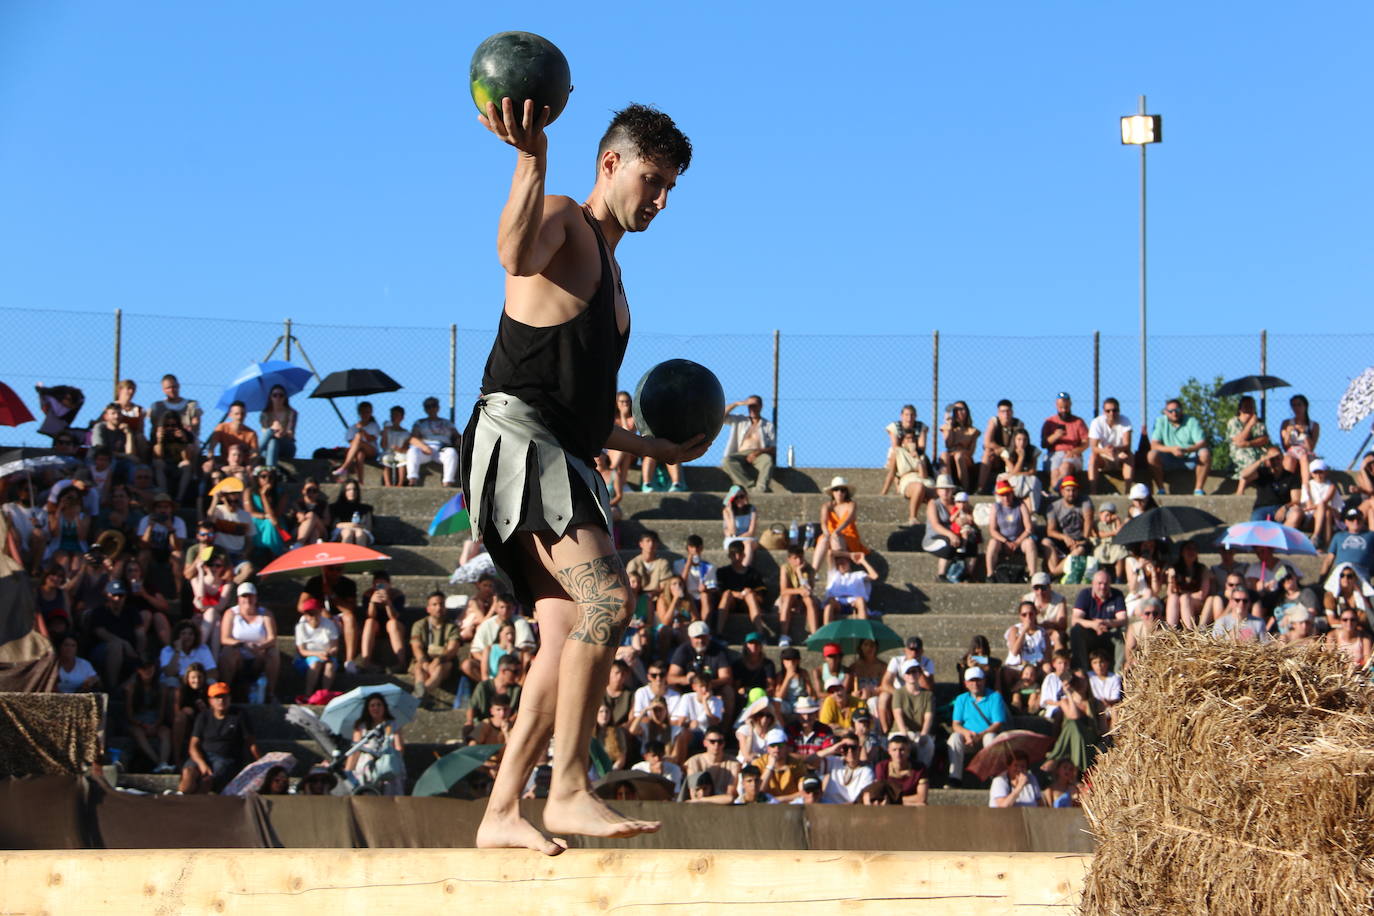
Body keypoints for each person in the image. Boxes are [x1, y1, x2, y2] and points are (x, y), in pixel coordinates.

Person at [178, 682, 259, 794]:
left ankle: (196, 806)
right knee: (189, 772)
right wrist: (202, 764)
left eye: (224, 697)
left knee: (208, 780)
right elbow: (193, 745)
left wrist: (259, 763)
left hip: (226, 759)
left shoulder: (239, 715)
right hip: (203, 755)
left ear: (229, 698)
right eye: (217, 697)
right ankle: (179, 799)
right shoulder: (203, 717)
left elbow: (251, 743)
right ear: (210, 701)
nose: (221, 701)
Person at [945, 666, 1008, 786]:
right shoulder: (961, 699)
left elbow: (998, 723)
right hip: (968, 738)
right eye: (972, 681)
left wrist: (980, 735)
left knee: (990, 738)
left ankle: (993, 775)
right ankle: (955, 777)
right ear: (966, 683)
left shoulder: (995, 697)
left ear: (984, 681)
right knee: (954, 738)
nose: (975, 684)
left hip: (987, 735)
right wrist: (967, 734)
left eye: (978, 680)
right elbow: (956, 724)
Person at [217, 582, 279, 701]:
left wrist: (260, 647)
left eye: (250, 596)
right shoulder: (231, 613)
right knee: (227, 651)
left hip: (259, 655)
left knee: (273, 652)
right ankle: (225, 691)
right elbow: (224, 638)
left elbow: (272, 638)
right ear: (239, 599)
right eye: (244, 596)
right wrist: (243, 645)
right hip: (238, 656)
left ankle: (270, 693)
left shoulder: (265, 614)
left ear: (256, 597)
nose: (248, 599)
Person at [1148, 398, 1212, 496]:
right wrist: (1172, 449)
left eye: (1177, 410)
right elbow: (1154, 445)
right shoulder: (1160, 421)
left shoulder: (1191, 421)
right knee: (1151, 455)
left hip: (1189, 458)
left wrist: (1186, 450)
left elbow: (1202, 443)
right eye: (1171, 411)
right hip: (1168, 458)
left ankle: (1198, 490)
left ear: (1181, 410)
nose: (1174, 413)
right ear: (1165, 412)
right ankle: (1161, 489)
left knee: (1205, 453)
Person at [346, 692, 406, 795]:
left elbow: (399, 748)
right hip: (367, 765)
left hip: (387, 763)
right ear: (367, 708)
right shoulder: (361, 726)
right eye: (372, 705)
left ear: (384, 707)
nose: (376, 708)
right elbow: (355, 751)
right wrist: (348, 770)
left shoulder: (392, 724)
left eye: (379, 705)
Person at [1070, 570, 1128, 672]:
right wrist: (1093, 624)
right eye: (1099, 583)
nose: (1103, 587)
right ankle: (1081, 671)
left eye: (1106, 584)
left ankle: (1118, 673)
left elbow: (1123, 620)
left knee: (1124, 631)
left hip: (1110, 633)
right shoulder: (1085, 594)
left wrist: (1105, 622)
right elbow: (1075, 619)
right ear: (1093, 583)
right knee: (1076, 630)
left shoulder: (1117, 595)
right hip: (1090, 633)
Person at [1042, 476, 1095, 582]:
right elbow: (1050, 531)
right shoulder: (1054, 507)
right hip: (1063, 541)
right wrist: (1064, 538)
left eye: (1074, 490)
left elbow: (1088, 520)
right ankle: (1056, 573)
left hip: (1080, 539)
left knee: (1079, 550)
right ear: (1062, 491)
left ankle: (1052, 575)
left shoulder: (1085, 501)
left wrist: (1082, 540)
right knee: (1046, 542)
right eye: (1068, 490)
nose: (1071, 493)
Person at [720, 396, 776, 493]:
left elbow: (773, 447)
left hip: (759, 454)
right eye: (750, 406)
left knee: (767, 460)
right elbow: (720, 416)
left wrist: (758, 452)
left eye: (755, 406)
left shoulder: (768, 425)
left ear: (761, 406)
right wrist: (737, 403)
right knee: (727, 461)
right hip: (740, 454)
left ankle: (761, 489)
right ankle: (750, 487)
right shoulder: (740, 420)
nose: (752, 408)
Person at [985, 481, 1038, 579]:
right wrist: (1005, 541)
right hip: (1002, 541)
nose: (1006, 498)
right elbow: (992, 530)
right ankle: (990, 574)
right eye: (1002, 495)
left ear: (1012, 493)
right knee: (992, 543)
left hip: (1019, 540)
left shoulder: (1021, 505)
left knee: (1030, 543)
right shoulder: (996, 507)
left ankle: (1032, 574)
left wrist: (1017, 542)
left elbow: (1028, 528)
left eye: (1008, 494)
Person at [812, 477, 867, 572]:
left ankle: (842, 572)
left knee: (836, 538)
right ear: (832, 492)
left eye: (843, 490)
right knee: (824, 540)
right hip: (830, 535)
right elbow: (823, 522)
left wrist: (836, 531)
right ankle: (813, 572)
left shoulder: (851, 504)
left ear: (846, 492)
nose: (839, 492)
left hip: (848, 536)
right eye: (836, 489)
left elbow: (847, 521)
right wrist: (827, 533)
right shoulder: (826, 506)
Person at [715, 541, 768, 637]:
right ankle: (719, 633)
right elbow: (719, 592)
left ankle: (760, 633)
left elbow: (761, 597)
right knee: (727, 594)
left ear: (744, 555)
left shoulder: (753, 573)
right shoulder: (722, 572)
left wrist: (751, 593)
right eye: (733, 554)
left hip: (747, 604)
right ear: (729, 555)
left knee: (750, 595)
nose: (737, 557)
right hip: (730, 603)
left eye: (739, 553)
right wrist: (735, 594)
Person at [889, 661, 935, 768]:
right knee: (900, 744)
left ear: (919, 673)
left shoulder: (928, 695)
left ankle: (923, 772)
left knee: (928, 743)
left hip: (919, 732)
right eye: (908, 672)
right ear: (904, 676)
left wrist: (924, 734)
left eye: (914, 671)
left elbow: (929, 716)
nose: (911, 675)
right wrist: (904, 733)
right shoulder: (898, 693)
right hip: (900, 731)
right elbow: (898, 714)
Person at [407, 396, 461, 487]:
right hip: (425, 449)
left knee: (451, 453)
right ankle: (412, 479)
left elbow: (457, 436)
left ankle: (448, 482)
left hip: (442, 449)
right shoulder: (420, 422)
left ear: (438, 407)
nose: (431, 408)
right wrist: (423, 447)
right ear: (425, 409)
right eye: (428, 407)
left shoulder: (447, 422)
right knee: (412, 451)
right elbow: (412, 439)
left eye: (433, 406)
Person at [880, 428, 930, 524]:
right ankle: (912, 517)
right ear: (902, 441)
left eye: (912, 439)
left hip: (924, 480)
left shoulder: (922, 455)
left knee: (939, 493)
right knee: (919, 487)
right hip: (908, 480)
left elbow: (924, 476)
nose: (910, 441)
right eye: (908, 439)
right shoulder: (898, 452)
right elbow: (892, 473)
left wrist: (918, 459)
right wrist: (884, 492)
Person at [1040, 392, 1089, 489]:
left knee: (1065, 466)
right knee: (1055, 471)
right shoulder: (1049, 422)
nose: (1064, 410)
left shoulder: (1078, 422)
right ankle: (1057, 491)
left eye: (1066, 407)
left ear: (1070, 405)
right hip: (1054, 454)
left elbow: (1087, 442)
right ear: (1056, 406)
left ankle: (1059, 487)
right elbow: (1043, 444)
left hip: (1073, 454)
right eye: (1061, 407)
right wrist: (1055, 436)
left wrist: (1075, 451)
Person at [294, 596, 340, 697]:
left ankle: (324, 694)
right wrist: (318, 654)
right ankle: (308, 694)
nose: (312, 617)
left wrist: (329, 652)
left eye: (314, 613)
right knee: (315, 663)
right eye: (309, 614)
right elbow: (302, 651)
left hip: (327, 656)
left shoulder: (329, 624)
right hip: (306, 659)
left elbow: (335, 646)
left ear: (319, 612)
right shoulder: (300, 626)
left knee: (330, 665)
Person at [682, 726, 741, 804]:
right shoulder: (694, 762)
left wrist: (703, 800)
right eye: (712, 741)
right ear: (705, 743)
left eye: (720, 742)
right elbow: (694, 794)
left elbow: (730, 796)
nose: (716, 745)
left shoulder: (733, 763)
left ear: (724, 743)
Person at [977, 399, 1025, 495]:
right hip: (997, 454)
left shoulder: (1018, 424)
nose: (1006, 414)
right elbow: (987, 442)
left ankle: (1015, 490)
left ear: (1012, 412)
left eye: (1008, 411)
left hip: (1011, 455)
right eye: (1003, 411)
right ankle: (980, 488)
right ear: (998, 413)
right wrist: (1002, 449)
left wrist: (1008, 452)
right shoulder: (994, 421)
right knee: (987, 454)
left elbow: (1021, 441)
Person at [922, 475, 964, 581]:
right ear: (937, 491)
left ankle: (967, 574)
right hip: (934, 538)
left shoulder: (957, 503)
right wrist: (951, 535)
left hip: (955, 536)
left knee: (971, 543)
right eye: (942, 488)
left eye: (947, 489)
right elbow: (935, 525)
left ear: (952, 490)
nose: (945, 491)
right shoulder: (933, 504)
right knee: (948, 544)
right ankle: (941, 574)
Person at [1087, 397, 1134, 491]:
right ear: (1104, 412)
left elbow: (1127, 445)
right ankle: (1093, 492)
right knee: (1093, 457)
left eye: (1114, 410)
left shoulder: (1125, 421)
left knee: (1130, 456)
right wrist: (1105, 451)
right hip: (1103, 457)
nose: (1111, 413)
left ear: (1119, 410)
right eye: (1108, 411)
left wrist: (1115, 449)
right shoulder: (1096, 422)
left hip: (1120, 455)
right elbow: (1093, 447)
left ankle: (1128, 491)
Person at [774, 546, 818, 645]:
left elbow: (808, 589)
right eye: (795, 558)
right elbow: (783, 590)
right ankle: (784, 635)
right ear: (789, 559)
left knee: (809, 600)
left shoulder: (808, 569)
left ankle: (814, 634)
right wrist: (799, 591)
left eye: (801, 557)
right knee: (789, 597)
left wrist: (799, 573)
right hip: (788, 597)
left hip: (802, 598)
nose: (799, 561)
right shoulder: (785, 568)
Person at [1166, 539, 1213, 629]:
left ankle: (1189, 630)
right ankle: (1171, 630)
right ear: (1182, 552)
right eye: (1188, 549)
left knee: (1184, 598)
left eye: (1194, 549)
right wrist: (1171, 578)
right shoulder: (1175, 568)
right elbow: (1170, 592)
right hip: (1178, 601)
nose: (1191, 552)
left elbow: (1201, 595)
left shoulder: (1202, 569)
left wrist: (1185, 594)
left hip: (1196, 602)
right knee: (1173, 598)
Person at [1226, 396, 1270, 494]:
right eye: (1246, 406)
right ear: (1240, 408)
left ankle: (1240, 489)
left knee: (1269, 460)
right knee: (1251, 461)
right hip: (1239, 451)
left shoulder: (1259, 423)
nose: (1249, 408)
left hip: (1258, 450)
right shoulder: (1233, 422)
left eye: (1251, 406)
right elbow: (1239, 441)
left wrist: (1249, 443)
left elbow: (1264, 439)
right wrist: (1249, 425)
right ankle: (1240, 490)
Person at [821, 551, 879, 623]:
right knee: (829, 602)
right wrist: (850, 555)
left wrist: (863, 561)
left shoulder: (858, 574)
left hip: (854, 603)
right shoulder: (833, 574)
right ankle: (826, 631)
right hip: (837, 603)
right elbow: (830, 553)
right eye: (838, 564)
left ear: (849, 563)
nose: (841, 565)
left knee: (860, 600)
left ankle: (863, 629)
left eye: (843, 563)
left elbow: (874, 576)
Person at [874, 732, 929, 806]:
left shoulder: (919, 768)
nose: (898, 754)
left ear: (908, 751)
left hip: (910, 808)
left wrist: (895, 800)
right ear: (889, 751)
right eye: (894, 750)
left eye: (902, 750)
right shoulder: (882, 767)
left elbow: (921, 798)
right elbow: (881, 794)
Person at [332, 402, 381, 483]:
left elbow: (371, 439)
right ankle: (360, 481)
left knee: (358, 436)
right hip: (359, 451)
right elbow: (352, 443)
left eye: (367, 412)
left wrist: (362, 431)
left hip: (371, 450)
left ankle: (345, 466)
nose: (365, 414)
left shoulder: (374, 426)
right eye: (363, 412)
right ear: (359, 413)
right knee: (360, 455)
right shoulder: (353, 427)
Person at [817, 737, 876, 804]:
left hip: (852, 810)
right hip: (827, 807)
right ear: (841, 750)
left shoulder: (866, 771)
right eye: (845, 748)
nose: (850, 751)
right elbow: (809, 763)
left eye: (853, 748)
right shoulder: (835, 761)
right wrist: (832, 749)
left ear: (859, 749)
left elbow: (862, 798)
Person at [204, 401, 260, 471]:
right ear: (230, 415)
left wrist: (249, 466)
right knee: (207, 466)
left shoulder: (251, 433)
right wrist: (210, 460)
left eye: (242, 414)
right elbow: (212, 447)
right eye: (236, 414)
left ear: (246, 415)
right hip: (224, 463)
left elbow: (254, 454)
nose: (239, 417)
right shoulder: (222, 428)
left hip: (242, 465)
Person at [1279, 394, 1320, 487]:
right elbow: (1285, 446)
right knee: (1289, 459)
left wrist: (1303, 433)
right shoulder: (1287, 423)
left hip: (1306, 452)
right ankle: (1285, 486)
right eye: (1293, 405)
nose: (1296, 408)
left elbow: (1311, 447)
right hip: (1292, 451)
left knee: (1304, 458)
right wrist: (1288, 433)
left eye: (1299, 405)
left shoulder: (1314, 425)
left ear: (1305, 406)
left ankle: (1305, 486)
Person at [1322, 508, 1374, 582]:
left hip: (1361, 571)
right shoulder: (1338, 536)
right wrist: (1321, 580)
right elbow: (1329, 559)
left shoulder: (1371, 536)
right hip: (1341, 571)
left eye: (1358, 519)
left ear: (1363, 521)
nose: (1355, 521)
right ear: (1346, 522)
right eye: (1351, 519)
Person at [938, 401, 978, 490]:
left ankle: (964, 488)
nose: (959, 412)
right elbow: (948, 444)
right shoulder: (946, 427)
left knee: (959, 456)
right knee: (944, 455)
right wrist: (949, 425)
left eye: (962, 409)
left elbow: (971, 452)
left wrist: (959, 452)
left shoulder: (973, 431)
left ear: (967, 411)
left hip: (965, 457)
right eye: (956, 410)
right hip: (951, 455)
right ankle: (946, 486)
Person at [259, 385, 298, 469]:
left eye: (281, 395)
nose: (278, 398)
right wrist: (273, 430)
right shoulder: (265, 414)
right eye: (275, 395)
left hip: (287, 446)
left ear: (285, 398)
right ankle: (271, 471)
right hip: (269, 448)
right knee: (273, 441)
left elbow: (291, 435)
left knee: (272, 437)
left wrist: (282, 432)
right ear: (270, 397)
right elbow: (264, 432)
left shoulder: (291, 413)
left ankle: (255, 452)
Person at [330, 478, 375, 546]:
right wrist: (352, 525)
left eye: (355, 489)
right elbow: (335, 525)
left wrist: (355, 526)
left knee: (359, 533)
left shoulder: (366, 509)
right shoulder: (336, 507)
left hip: (361, 531)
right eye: (348, 490)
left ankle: (361, 556)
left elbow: (368, 527)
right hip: (342, 532)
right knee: (348, 533)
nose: (352, 492)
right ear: (344, 491)